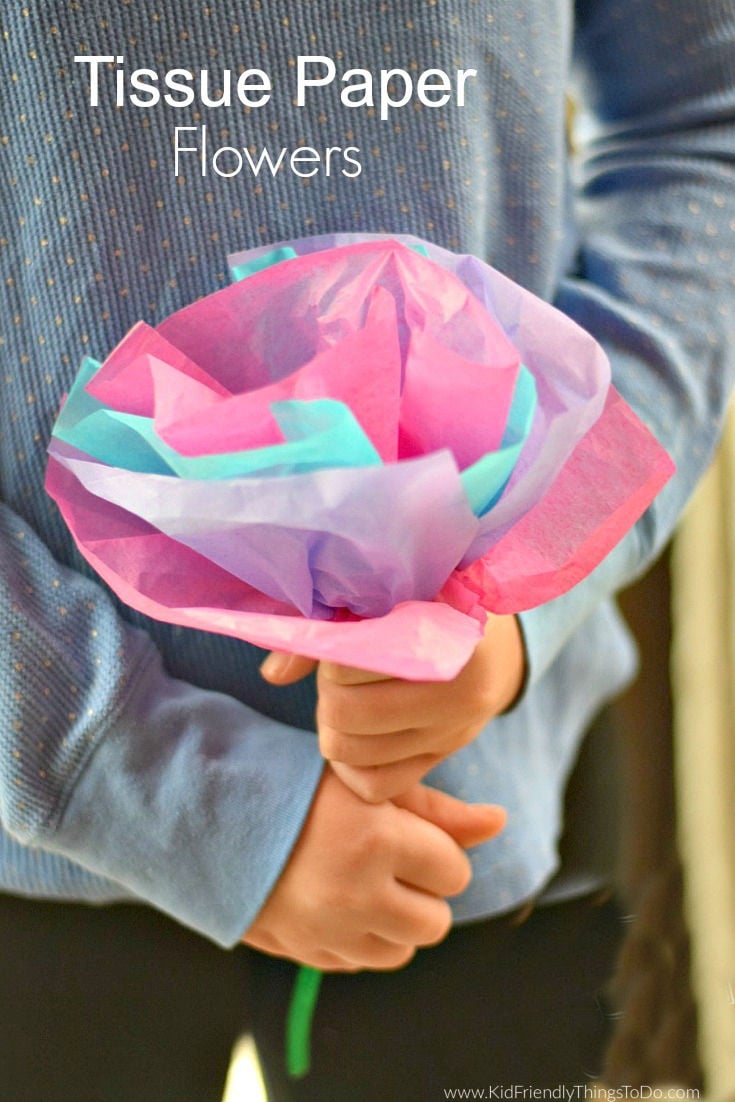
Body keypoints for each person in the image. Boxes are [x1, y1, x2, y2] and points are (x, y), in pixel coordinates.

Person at [1, 2, 734, 1099]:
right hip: (42, 850)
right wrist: (122, 767)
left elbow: (701, 120)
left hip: (481, 829)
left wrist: (521, 587)